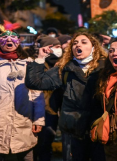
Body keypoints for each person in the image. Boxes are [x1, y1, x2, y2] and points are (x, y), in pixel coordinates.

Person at [25, 31, 107, 161]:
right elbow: (35, 82)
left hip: (100, 129)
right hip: (75, 132)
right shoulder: (65, 68)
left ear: (94, 47)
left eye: (83, 42)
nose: (77, 45)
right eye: (75, 43)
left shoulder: (106, 67)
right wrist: (40, 58)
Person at [0, 22, 45, 160]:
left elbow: (37, 93)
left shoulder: (29, 64)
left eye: (13, 37)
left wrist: (39, 119)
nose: (9, 40)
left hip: (24, 124)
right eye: (4, 37)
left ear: (18, 41)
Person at [32, 36, 64, 161]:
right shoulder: (37, 64)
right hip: (38, 111)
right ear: (47, 48)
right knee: (37, 145)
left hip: (53, 111)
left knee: (46, 145)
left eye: (60, 47)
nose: (59, 50)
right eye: (56, 47)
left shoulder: (63, 64)